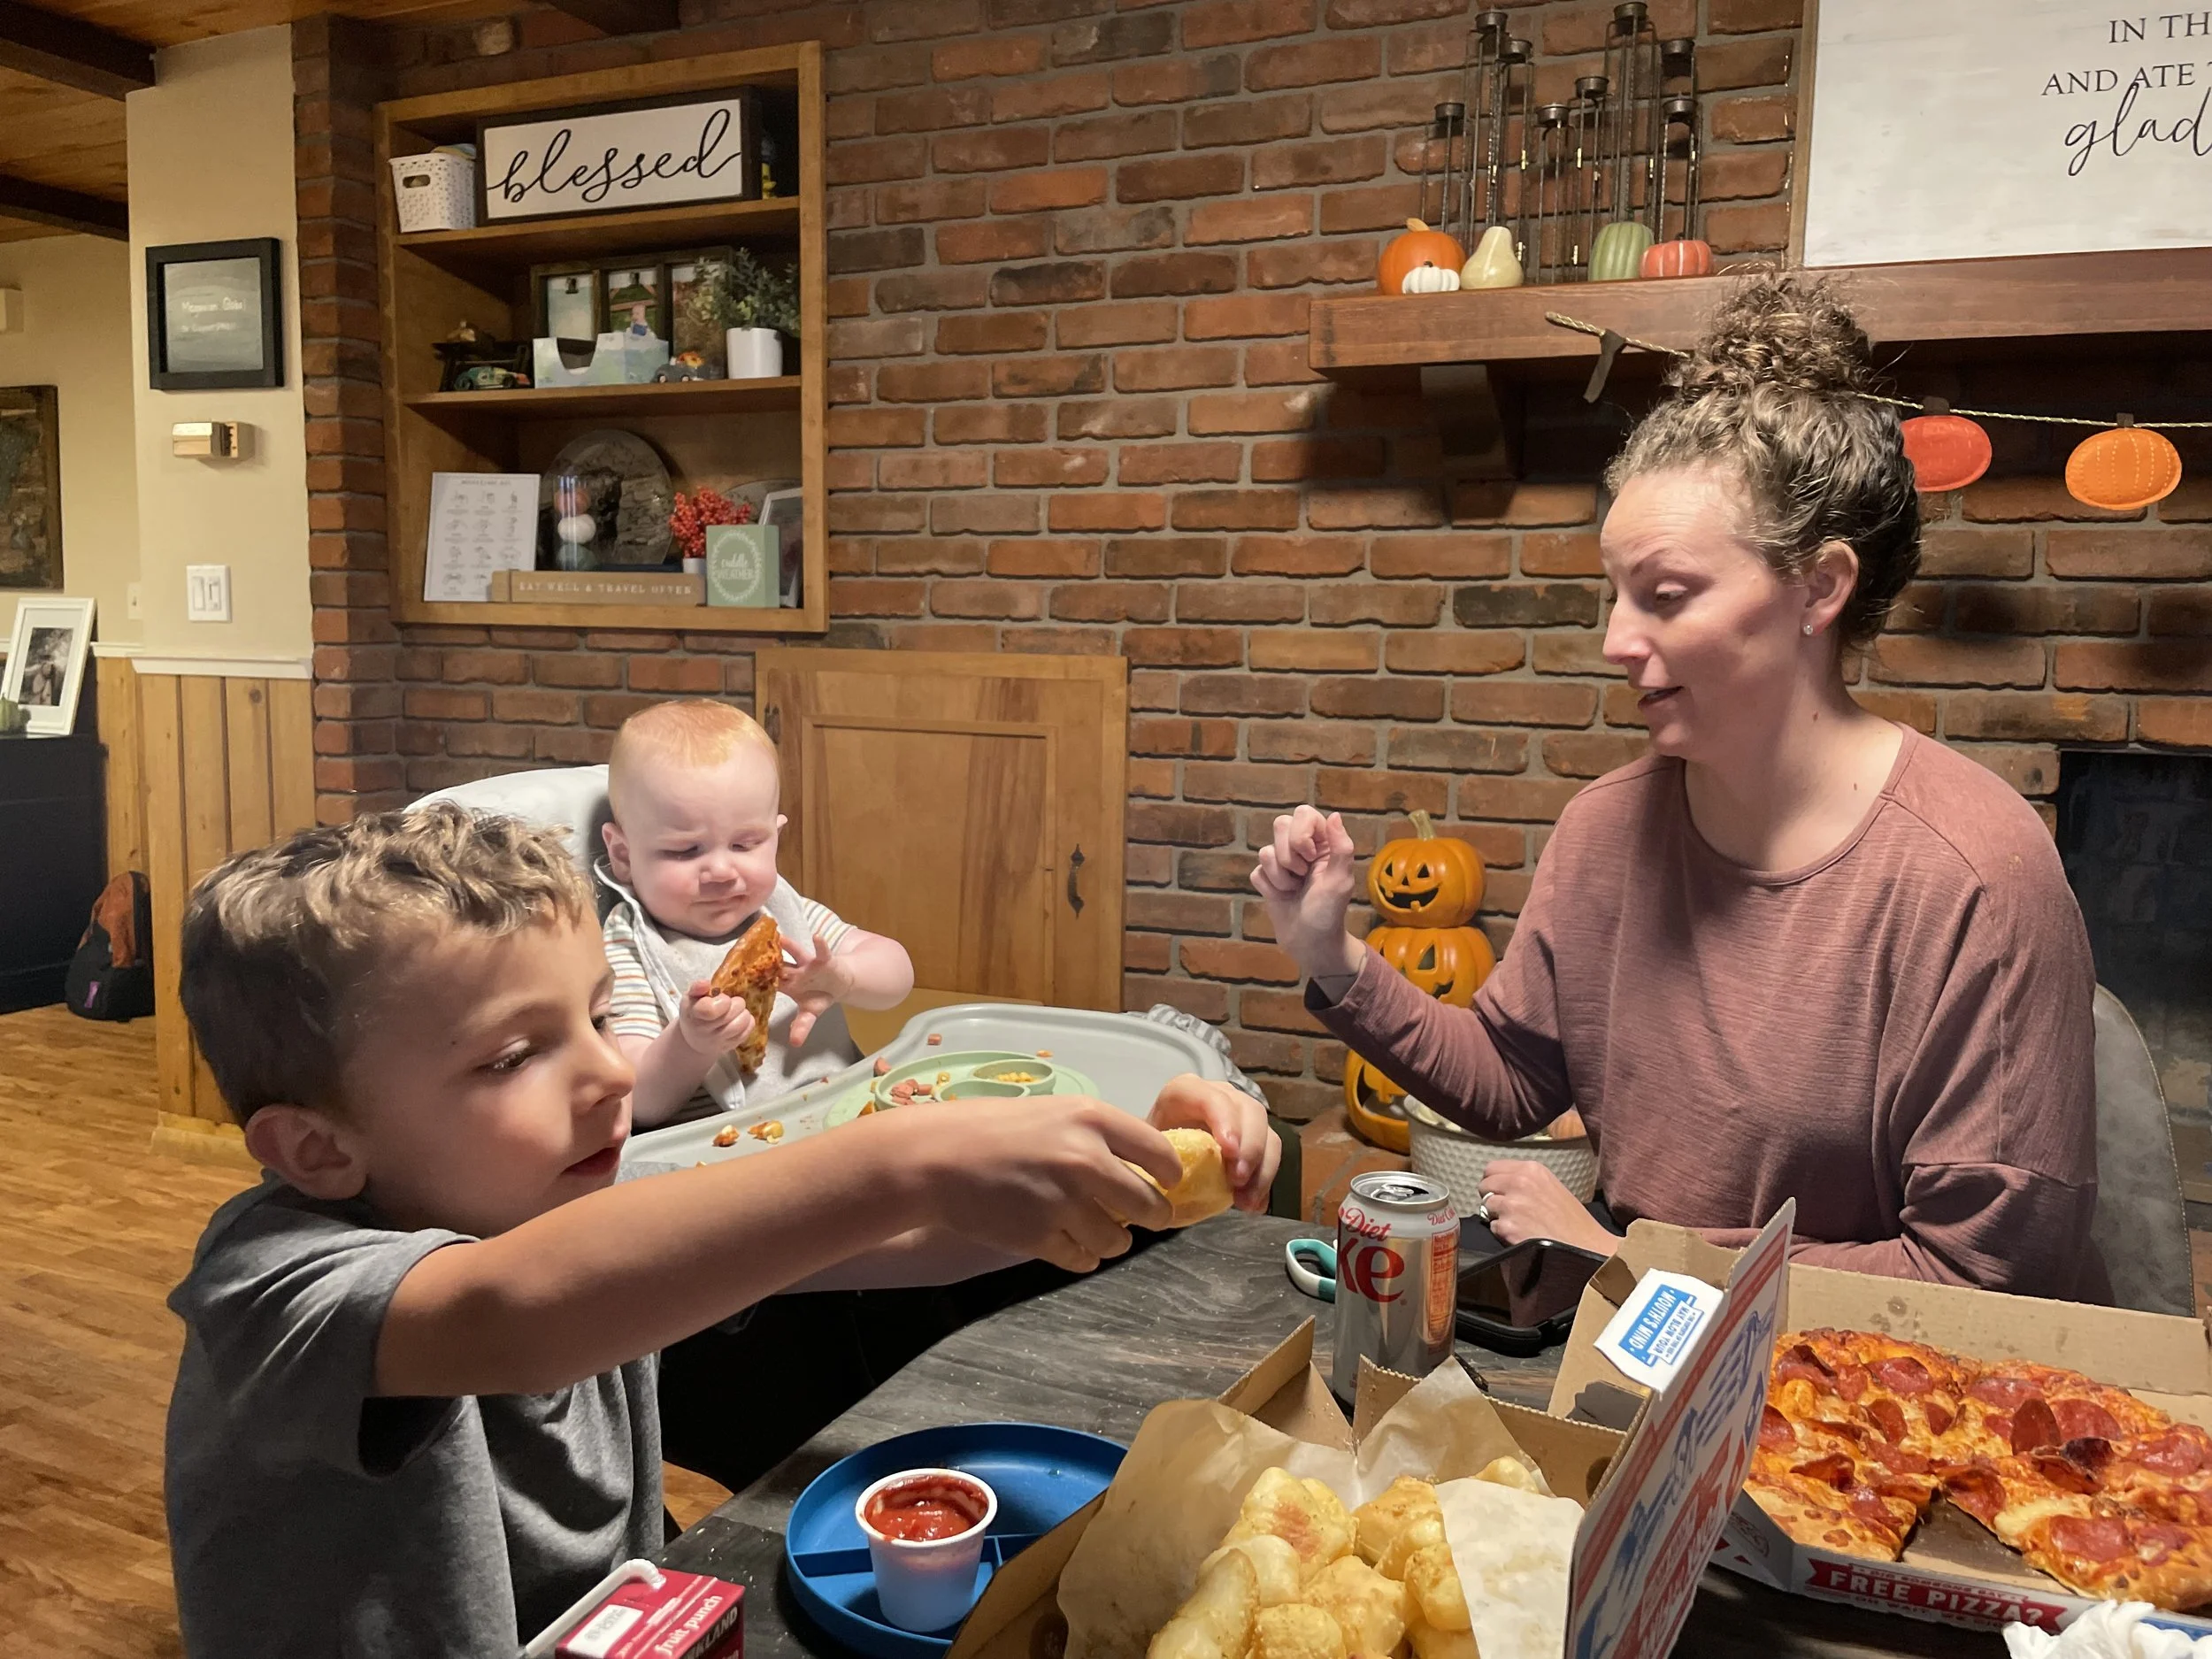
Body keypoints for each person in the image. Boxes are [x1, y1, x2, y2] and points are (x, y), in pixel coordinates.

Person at [165, 804, 1279, 1656]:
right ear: (317, 1149)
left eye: (601, 1016)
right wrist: (909, 1156)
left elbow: (892, 1241)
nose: (610, 1071)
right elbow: (512, 1311)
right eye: (513, 1057)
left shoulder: (580, 1198)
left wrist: (1126, 1163)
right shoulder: (275, 1292)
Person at [1254, 273, 2103, 1302]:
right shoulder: (1607, 828)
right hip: (1636, 1347)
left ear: (1819, 589)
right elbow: (1515, 1079)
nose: (1615, 641)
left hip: (1874, 1422)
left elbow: (1983, 1277)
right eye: (1613, 595)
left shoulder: (1977, 876)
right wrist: (1329, 954)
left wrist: (1631, 1260)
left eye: (1665, 597)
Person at [597, 698, 915, 1127]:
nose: (722, 871)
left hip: (843, 1110)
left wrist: (845, 978)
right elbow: (637, 1099)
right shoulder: (629, 944)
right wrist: (691, 1044)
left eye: (746, 845)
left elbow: (898, 976)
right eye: (684, 850)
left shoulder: (783, 910)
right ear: (623, 855)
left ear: (775, 838)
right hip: (724, 1151)